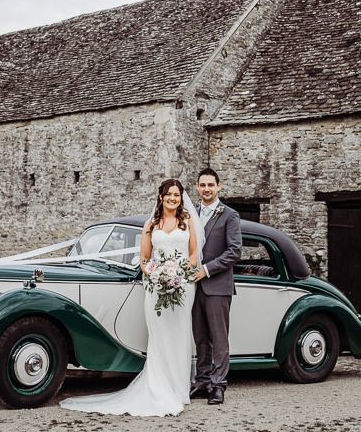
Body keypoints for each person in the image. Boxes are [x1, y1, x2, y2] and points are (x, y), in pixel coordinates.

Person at [60, 178, 201, 417]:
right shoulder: (151, 224)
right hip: (156, 288)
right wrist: (156, 275)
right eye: (169, 195)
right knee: (159, 337)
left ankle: (179, 391)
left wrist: (180, 274)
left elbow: (194, 253)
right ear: (161, 197)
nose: (173, 199)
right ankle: (159, 388)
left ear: (181, 198)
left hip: (183, 286)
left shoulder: (187, 222)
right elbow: (145, 259)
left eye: (177, 195)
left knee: (179, 335)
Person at [189, 167, 242, 405]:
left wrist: (206, 270)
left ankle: (218, 384)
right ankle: (201, 381)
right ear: (197, 187)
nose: (207, 189)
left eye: (211, 185)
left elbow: (234, 251)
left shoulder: (229, 215)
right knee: (200, 337)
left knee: (219, 338)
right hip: (194, 287)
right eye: (203, 185)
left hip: (217, 285)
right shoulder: (190, 214)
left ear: (218, 187)